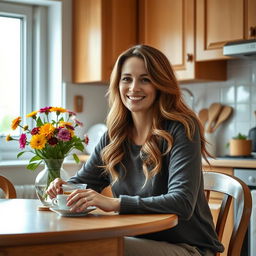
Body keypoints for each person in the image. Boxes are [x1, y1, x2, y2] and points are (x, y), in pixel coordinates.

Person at [47, 45, 224, 256]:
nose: (133, 88)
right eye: (127, 79)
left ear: (160, 84)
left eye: (145, 79)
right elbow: (85, 181)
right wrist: (63, 188)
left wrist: (114, 203)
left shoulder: (182, 129)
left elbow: (182, 202)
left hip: (188, 247)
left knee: (93, 248)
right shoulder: (115, 136)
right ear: (117, 84)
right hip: (139, 239)